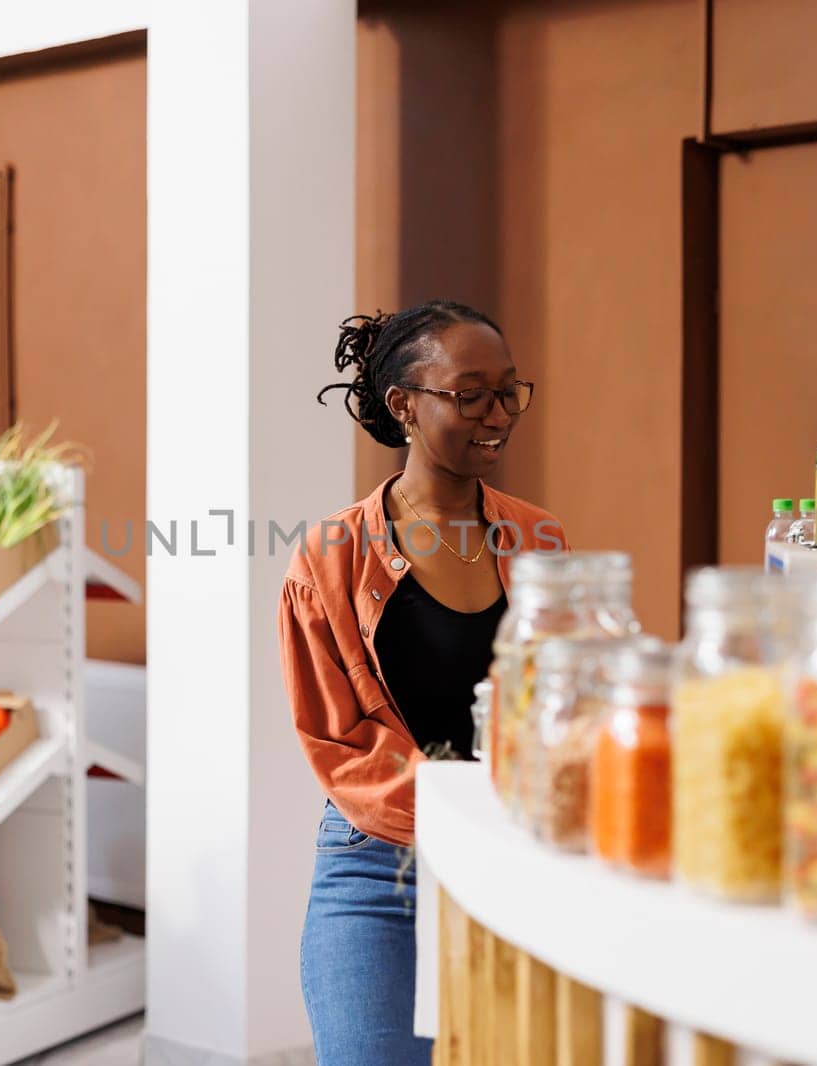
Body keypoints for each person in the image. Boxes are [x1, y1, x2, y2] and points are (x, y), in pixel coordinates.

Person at [279, 299, 565, 1066]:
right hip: (381, 867)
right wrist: (463, 805)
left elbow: (567, 703)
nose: (498, 412)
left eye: (510, 391)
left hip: (516, 855)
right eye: (470, 394)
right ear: (405, 404)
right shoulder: (331, 555)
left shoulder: (540, 537)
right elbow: (336, 742)